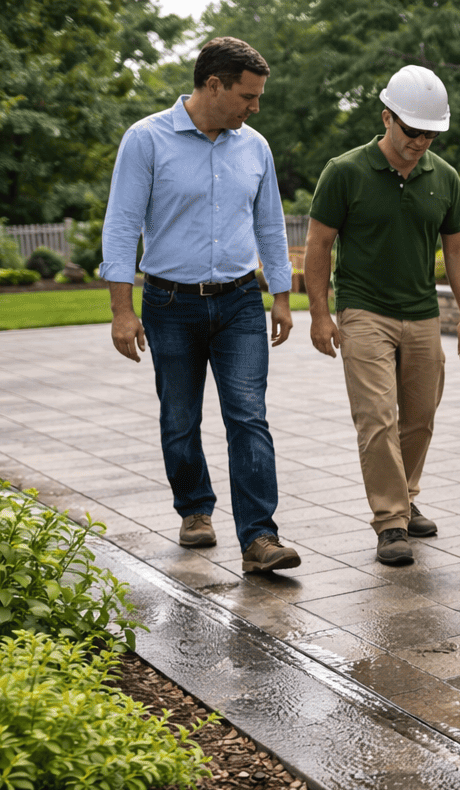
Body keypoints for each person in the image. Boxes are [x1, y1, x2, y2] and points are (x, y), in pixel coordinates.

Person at [101, 36, 301, 574]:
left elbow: (270, 224)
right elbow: (121, 225)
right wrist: (123, 309)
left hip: (239, 302)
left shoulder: (255, 147)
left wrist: (282, 297)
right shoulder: (146, 140)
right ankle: (194, 510)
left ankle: (260, 537)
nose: (255, 107)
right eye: (248, 95)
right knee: (180, 417)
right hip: (169, 303)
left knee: (248, 416)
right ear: (213, 85)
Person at [304, 65, 460, 567]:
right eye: (412, 130)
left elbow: (458, 249)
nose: (421, 141)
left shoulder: (443, 177)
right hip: (363, 312)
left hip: (422, 312)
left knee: (420, 417)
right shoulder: (345, 172)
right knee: (377, 418)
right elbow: (318, 244)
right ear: (387, 118)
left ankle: (404, 495)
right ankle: (390, 522)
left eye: (431, 133)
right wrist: (320, 314)